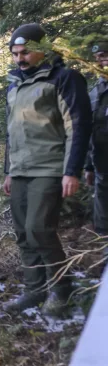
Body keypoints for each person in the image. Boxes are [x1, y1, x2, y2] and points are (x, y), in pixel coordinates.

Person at [2, 23, 93, 316]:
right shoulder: (15, 85)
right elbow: (10, 131)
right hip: (20, 170)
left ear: (44, 48)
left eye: (26, 52)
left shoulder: (64, 79)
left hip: (50, 168)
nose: (20, 59)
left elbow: (77, 125)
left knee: (39, 228)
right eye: (15, 54)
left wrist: (72, 170)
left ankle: (61, 289)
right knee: (22, 232)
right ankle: (34, 290)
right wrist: (8, 170)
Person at [84, 41, 108, 246]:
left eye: (106, 55)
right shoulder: (94, 93)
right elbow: (89, 131)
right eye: (99, 57)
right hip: (102, 170)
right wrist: (88, 166)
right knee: (103, 227)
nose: (103, 60)